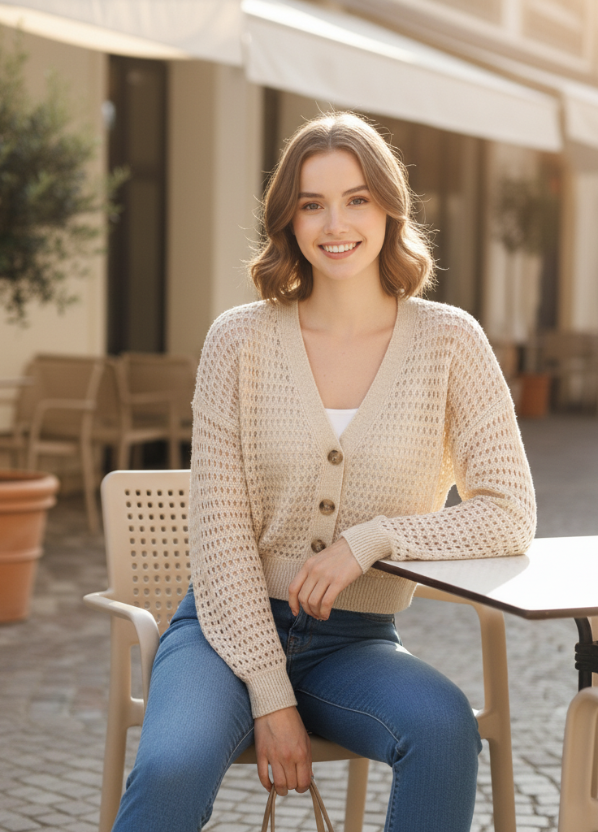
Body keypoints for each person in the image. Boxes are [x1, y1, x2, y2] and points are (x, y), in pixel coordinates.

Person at [112, 112, 536, 832]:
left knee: (443, 733)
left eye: (357, 199)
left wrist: (370, 541)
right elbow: (219, 537)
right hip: (220, 635)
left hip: (356, 643)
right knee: (171, 766)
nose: (335, 223)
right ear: (289, 220)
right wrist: (270, 695)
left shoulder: (449, 342)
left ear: (389, 208)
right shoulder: (238, 341)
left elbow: (509, 515)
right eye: (312, 203)